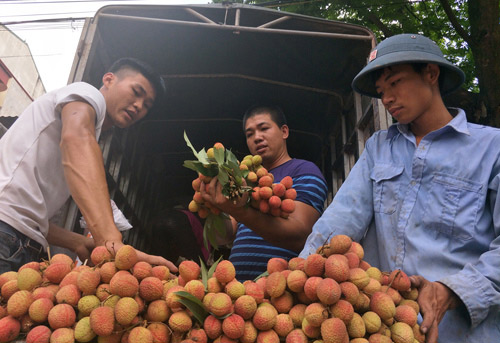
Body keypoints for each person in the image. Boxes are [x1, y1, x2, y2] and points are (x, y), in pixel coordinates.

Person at [300, 33, 500, 342]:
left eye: (395, 83)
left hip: (466, 332)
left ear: (431, 74)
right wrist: (299, 274)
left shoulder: (491, 149)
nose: (387, 98)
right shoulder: (380, 148)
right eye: (381, 91)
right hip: (386, 329)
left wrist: (453, 291)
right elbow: (339, 221)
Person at [0, 57, 178, 274]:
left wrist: (77, 242)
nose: (139, 106)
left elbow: (26, 213)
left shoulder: (88, 134)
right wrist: (110, 239)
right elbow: (76, 138)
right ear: (109, 80)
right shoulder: (86, 93)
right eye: (136, 92)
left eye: (147, 105)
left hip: (19, 242)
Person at [201, 105, 328, 281]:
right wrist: (216, 207)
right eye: (249, 134)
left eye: (264, 128)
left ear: (284, 131)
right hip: (238, 291)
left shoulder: (304, 170)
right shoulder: (245, 179)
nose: (257, 137)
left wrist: (239, 211)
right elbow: (223, 237)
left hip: (281, 290)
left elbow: (300, 234)